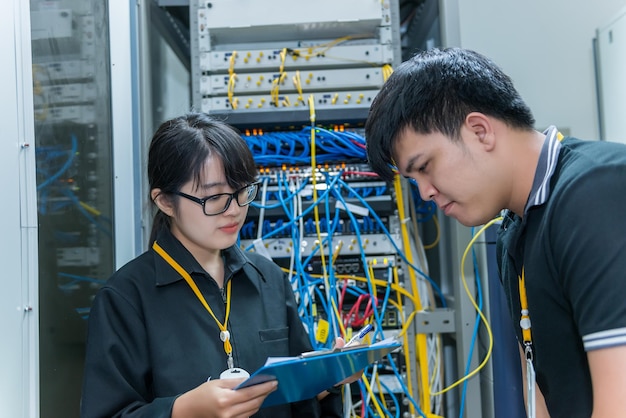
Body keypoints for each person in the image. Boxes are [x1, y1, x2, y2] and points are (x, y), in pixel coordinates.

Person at [364, 47, 626, 417]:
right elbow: (540, 390)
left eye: (424, 166)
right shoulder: (515, 233)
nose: (425, 192)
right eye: (414, 180)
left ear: (479, 130)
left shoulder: (594, 193)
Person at [81, 113, 344, 418]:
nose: (233, 210)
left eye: (242, 191)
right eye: (215, 197)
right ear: (166, 201)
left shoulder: (268, 280)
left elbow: (299, 405)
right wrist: (181, 410)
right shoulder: (125, 298)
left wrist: (325, 383)